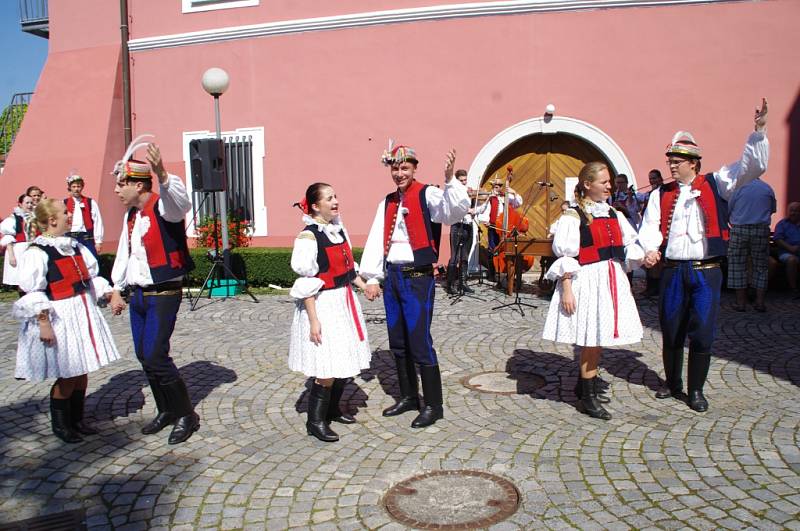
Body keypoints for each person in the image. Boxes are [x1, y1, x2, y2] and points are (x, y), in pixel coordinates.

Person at [640, 99, 769, 413]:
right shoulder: (661, 193)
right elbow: (649, 227)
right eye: (670, 159)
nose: (672, 164)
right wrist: (650, 250)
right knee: (671, 328)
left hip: (706, 271)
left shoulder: (717, 183)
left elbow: (752, 167)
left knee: (703, 329)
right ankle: (673, 385)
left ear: (693, 162)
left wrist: (759, 129)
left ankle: (695, 390)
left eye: (678, 160)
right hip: (672, 271)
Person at [360, 143, 469, 428]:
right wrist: (372, 277)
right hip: (393, 276)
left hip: (418, 278)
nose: (399, 173)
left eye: (404, 168)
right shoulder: (386, 202)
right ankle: (409, 397)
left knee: (419, 340)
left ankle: (434, 405)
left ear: (414, 168)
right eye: (395, 168)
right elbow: (375, 238)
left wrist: (449, 179)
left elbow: (454, 211)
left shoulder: (429, 194)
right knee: (398, 340)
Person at [109, 135, 199, 445]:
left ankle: (186, 413)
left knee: (156, 354)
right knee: (143, 355)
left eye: (122, 184)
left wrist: (162, 173)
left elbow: (182, 203)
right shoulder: (131, 216)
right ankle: (166, 410)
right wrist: (117, 289)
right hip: (139, 296)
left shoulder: (163, 208)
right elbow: (125, 253)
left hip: (163, 294)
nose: (117, 189)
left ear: (139, 185)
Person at [12, 199, 120, 443]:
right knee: (69, 372)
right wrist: (43, 322)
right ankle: (61, 424)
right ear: (52, 220)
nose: (69, 215)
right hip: (60, 314)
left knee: (82, 369)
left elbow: (91, 278)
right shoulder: (37, 252)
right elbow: (33, 291)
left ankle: (76, 419)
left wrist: (110, 294)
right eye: (64, 212)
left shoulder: (75, 247)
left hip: (81, 311)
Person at [542, 162, 644, 420]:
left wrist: (646, 255)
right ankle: (587, 397)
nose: (609, 186)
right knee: (591, 338)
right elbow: (566, 254)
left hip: (610, 279)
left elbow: (629, 244)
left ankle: (583, 384)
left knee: (599, 338)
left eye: (610, 182)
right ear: (588, 185)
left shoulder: (613, 213)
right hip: (587, 281)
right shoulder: (574, 216)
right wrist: (566, 288)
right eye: (604, 182)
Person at [288, 183, 372, 442]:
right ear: (315, 205)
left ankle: (334, 410)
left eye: (336, 196)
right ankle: (315, 421)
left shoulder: (337, 230)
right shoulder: (309, 237)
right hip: (323, 305)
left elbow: (346, 271)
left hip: (344, 304)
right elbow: (307, 282)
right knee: (325, 368)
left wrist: (364, 285)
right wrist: (313, 321)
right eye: (329, 198)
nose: (336, 201)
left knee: (343, 362)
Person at [727, 174, 776, 312]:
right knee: (761, 266)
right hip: (760, 229)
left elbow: (729, 209)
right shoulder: (767, 188)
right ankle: (760, 302)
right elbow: (772, 209)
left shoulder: (737, 188)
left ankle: (740, 303)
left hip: (739, 229)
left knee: (737, 266)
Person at [476, 175, 522, 282]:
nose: (498, 188)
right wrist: (485, 221)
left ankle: (507, 273)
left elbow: (518, 203)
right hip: (493, 227)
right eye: (495, 186)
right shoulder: (490, 198)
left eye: (500, 186)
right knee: (493, 250)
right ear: (492, 186)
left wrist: (513, 192)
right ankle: (493, 274)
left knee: (507, 251)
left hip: (505, 228)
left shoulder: (506, 197)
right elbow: (484, 210)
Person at [446, 169, 476, 295]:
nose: (464, 183)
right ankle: (451, 284)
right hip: (457, 225)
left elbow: (473, 208)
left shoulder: (468, 192)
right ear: (457, 181)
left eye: (465, 180)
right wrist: (467, 208)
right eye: (461, 181)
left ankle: (463, 283)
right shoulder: (453, 192)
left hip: (468, 225)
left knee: (464, 256)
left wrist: (474, 207)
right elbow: (455, 206)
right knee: (455, 257)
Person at [1, 194, 39, 290]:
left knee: (33, 277)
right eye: (27, 203)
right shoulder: (13, 218)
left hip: (33, 249)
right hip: (19, 250)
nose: (30, 205)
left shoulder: (35, 218)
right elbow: (8, 238)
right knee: (21, 279)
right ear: (20, 204)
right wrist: (11, 255)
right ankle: (22, 301)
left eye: (31, 202)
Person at [64, 172, 104, 258]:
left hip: (86, 237)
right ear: (70, 188)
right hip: (70, 237)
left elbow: (98, 222)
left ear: (82, 187)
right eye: (74, 187)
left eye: (78, 186)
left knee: (91, 260)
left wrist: (98, 241)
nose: (76, 189)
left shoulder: (90, 202)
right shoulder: (64, 202)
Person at [641, 170, 665, 296]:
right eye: (650, 179)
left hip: (660, 232)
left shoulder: (664, 193)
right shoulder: (649, 194)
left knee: (659, 264)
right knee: (650, 263)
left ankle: (657, 288)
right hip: (649, 229)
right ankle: (650, 287)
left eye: (654, 178)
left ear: (660, 179)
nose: (652, 181)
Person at [773, 201, 800, 297]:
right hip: (786, 252)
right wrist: (791, 248)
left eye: (796, 211)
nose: (793, 213)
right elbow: (777, 239)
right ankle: (793, 289)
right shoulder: (782, 224)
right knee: (791, 260)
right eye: (791, 210)